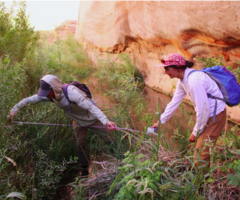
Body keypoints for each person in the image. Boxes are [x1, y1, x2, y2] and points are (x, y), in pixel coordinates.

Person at [8, 74, 117, 176]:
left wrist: (106, 121)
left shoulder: (72, 93)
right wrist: (14, 110)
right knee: (80, 145)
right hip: (78, 121)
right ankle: (84, 171)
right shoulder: (50, 95)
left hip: (93, 118)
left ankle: (119, 158)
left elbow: (91, 107)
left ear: (54, 88)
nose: (46, 95)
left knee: (108, 140)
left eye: (47, 92)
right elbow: (29, 100)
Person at [151, 53, 226, 169]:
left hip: (215, 116)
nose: (165, 72)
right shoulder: (183, 81)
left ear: (178, 68)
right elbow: (174, 103)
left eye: (167, 69)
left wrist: (195, 132)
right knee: (200, 151)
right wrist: (161, 121)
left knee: (200, 156)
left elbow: (204, 109)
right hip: (207, 115)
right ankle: (203, 180)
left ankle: (200, 185)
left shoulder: (194, 81)